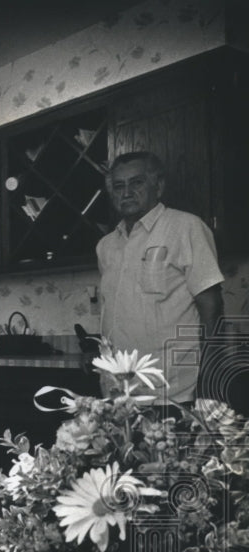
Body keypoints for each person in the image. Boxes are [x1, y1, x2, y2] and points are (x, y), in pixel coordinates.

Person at [97, 151, 224, 404]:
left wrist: (212, 368)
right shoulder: (106, 246)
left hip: (171, 392)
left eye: (137, 182)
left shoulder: (185, 227)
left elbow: (211, 304)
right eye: (118, 186)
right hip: (117, 392)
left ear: (159, 186)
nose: (126, 192)